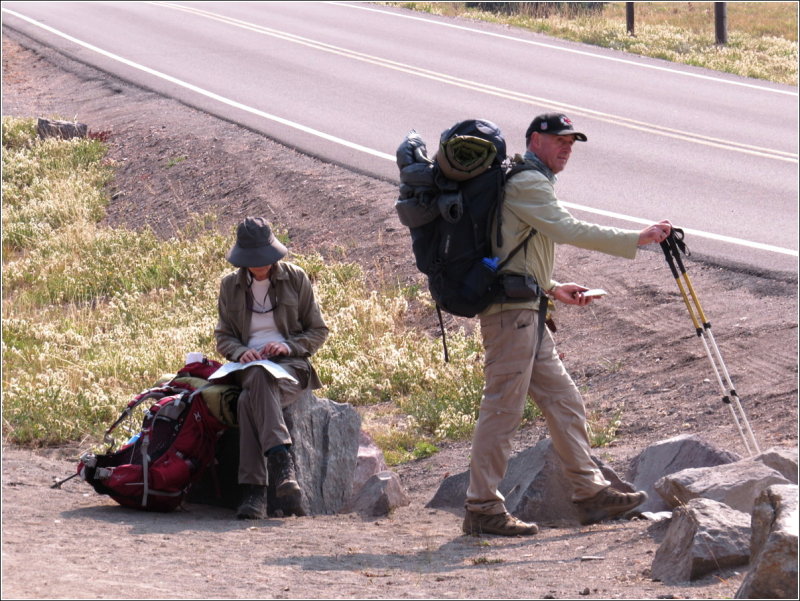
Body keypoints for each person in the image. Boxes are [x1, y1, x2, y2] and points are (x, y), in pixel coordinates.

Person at [463, 113, 673, 536]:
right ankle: (481, 506)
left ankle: (590, 494)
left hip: (527, 309)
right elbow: (566, 228)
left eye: (572, 142)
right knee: (503, 410)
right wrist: (637, 237)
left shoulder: (530, 181)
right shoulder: (527, 182)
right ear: (535, 140)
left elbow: (515, 249)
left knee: (563, 400)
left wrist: (552, 286)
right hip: (511, 316)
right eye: (560, 140)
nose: (567, 148)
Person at [215, 216, 328, 519]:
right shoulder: (229, 286)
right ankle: (282, 465)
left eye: (264, 259)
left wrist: (288, 346)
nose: (260, 265)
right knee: (257, 374)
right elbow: (223, 337)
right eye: (253, 260)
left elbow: (318, 330)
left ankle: (254, 494)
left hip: (290, 368)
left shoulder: (296, 278)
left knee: (245, 402)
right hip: (250, 368)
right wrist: (241, 351)